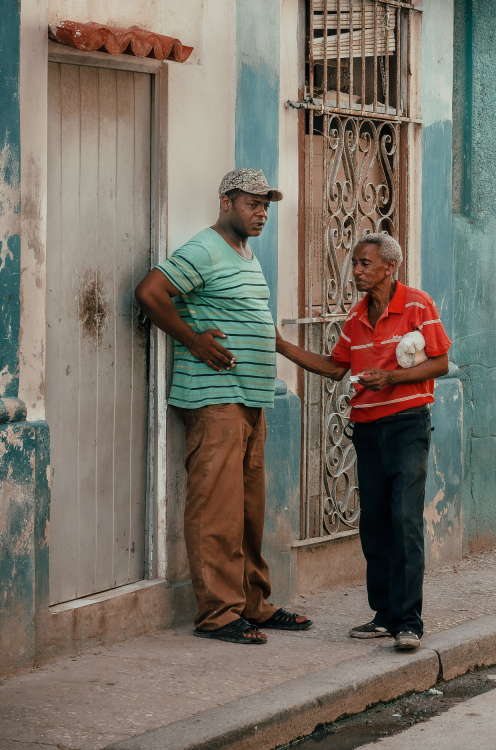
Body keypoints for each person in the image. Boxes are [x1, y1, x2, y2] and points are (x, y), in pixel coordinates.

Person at [134, 168, 311, 645]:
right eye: (253, 203)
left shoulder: (246, 255)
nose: (261, 213)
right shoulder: (204, 248)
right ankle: (217, 614)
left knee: (249, 510)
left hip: (251, 398)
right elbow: (150, 292)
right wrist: (193, 341)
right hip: (215, 398)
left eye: (266, 205)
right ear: (226, 201)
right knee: (217, 509)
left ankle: (252, 604)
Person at [276, 232, 451, 651]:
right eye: (354, 263)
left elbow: (441, 362)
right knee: (374, 525)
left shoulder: (417, 304)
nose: (356, 270)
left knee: (404, 521)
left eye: (364, 264)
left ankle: (409, 621)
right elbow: (335, 367)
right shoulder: (355, 319)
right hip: (367, 430)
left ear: (390, 267)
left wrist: (390, 377)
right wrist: (281, 347)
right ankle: (385, 615)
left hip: (408, 427)